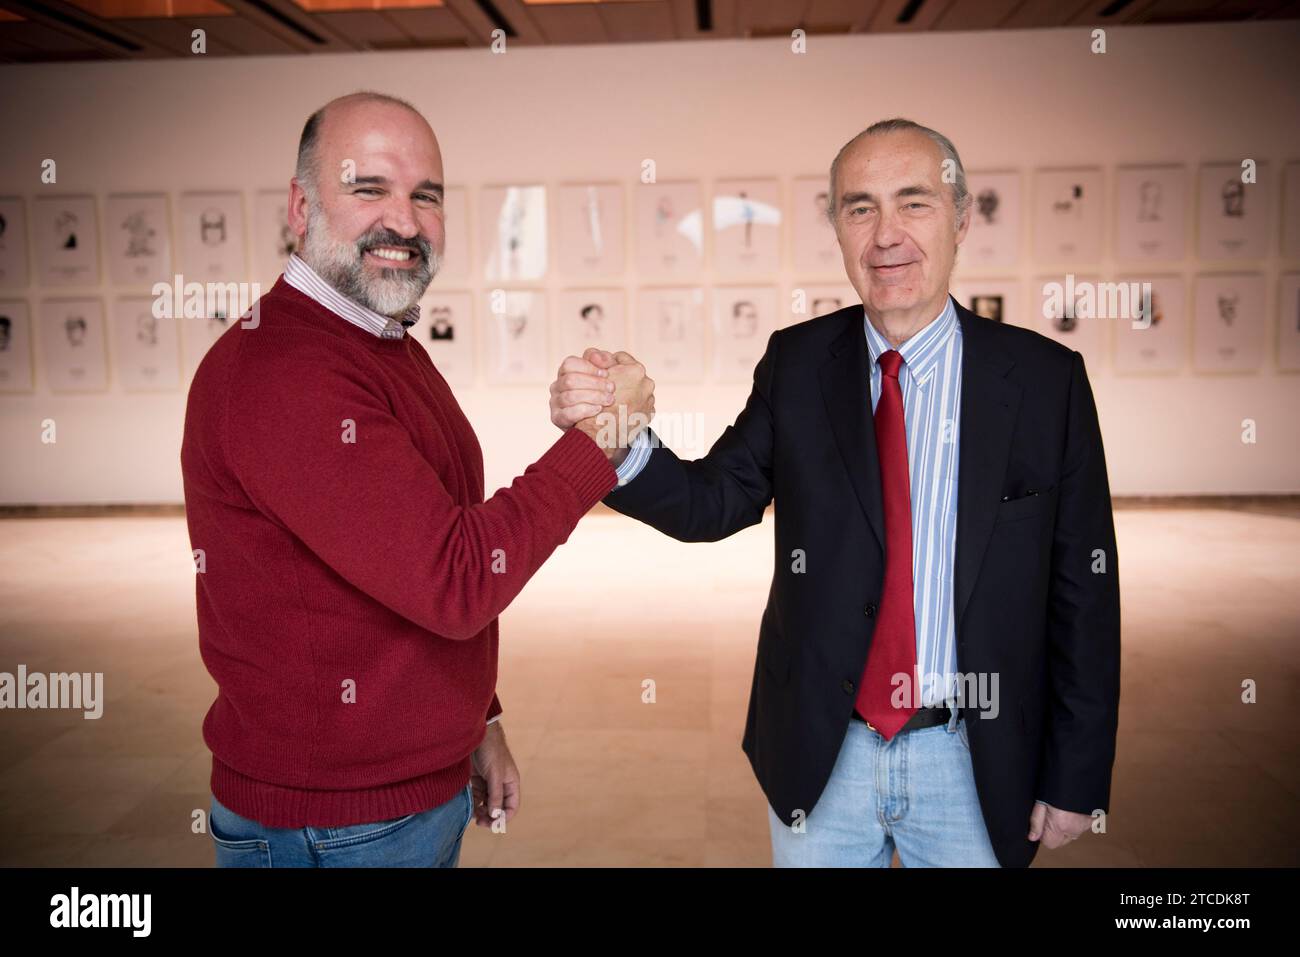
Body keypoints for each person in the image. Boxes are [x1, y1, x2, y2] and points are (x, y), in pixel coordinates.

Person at [550, 118, 1120, 868]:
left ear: (960, 219)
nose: (886, 235)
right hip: (823, 754)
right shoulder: (798, 363)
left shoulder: (1046, 382)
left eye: (913, 203)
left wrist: (1076, 773)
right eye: (860, 208)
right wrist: (616, 435)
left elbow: (1084, 593)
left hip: (972, 758)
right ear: (838, 228)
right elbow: (713, 500)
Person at [180, 91, 653, 867]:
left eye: (425, 196)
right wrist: (600, 440)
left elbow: (413, 550)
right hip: (336, 823)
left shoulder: (378, 342)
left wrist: (478, 720)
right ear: (300, 207)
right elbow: (455, 576)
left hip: (391, 802)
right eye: (369, 188)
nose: (403, 220)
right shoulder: (286, 370)